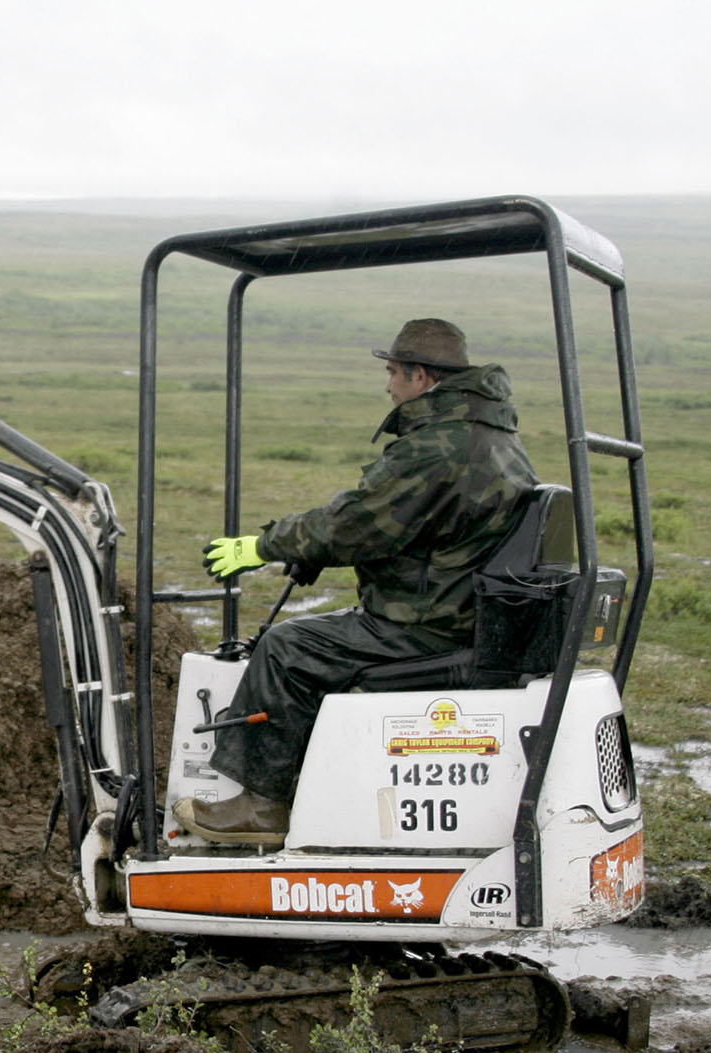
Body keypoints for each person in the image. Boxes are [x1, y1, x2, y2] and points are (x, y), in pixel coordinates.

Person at [174, 318, 537, 846]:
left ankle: (262, 809)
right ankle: (302, 786)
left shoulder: (438, 447)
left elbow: (356, 522)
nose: (388, 385)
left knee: (286, 648)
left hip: (430, 624)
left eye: (392, 372)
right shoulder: (492, 436)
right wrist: (320, 551)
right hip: (464, 611)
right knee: (311, 639)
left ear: (420, 376)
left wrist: (262, 546)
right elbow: (418, 529)